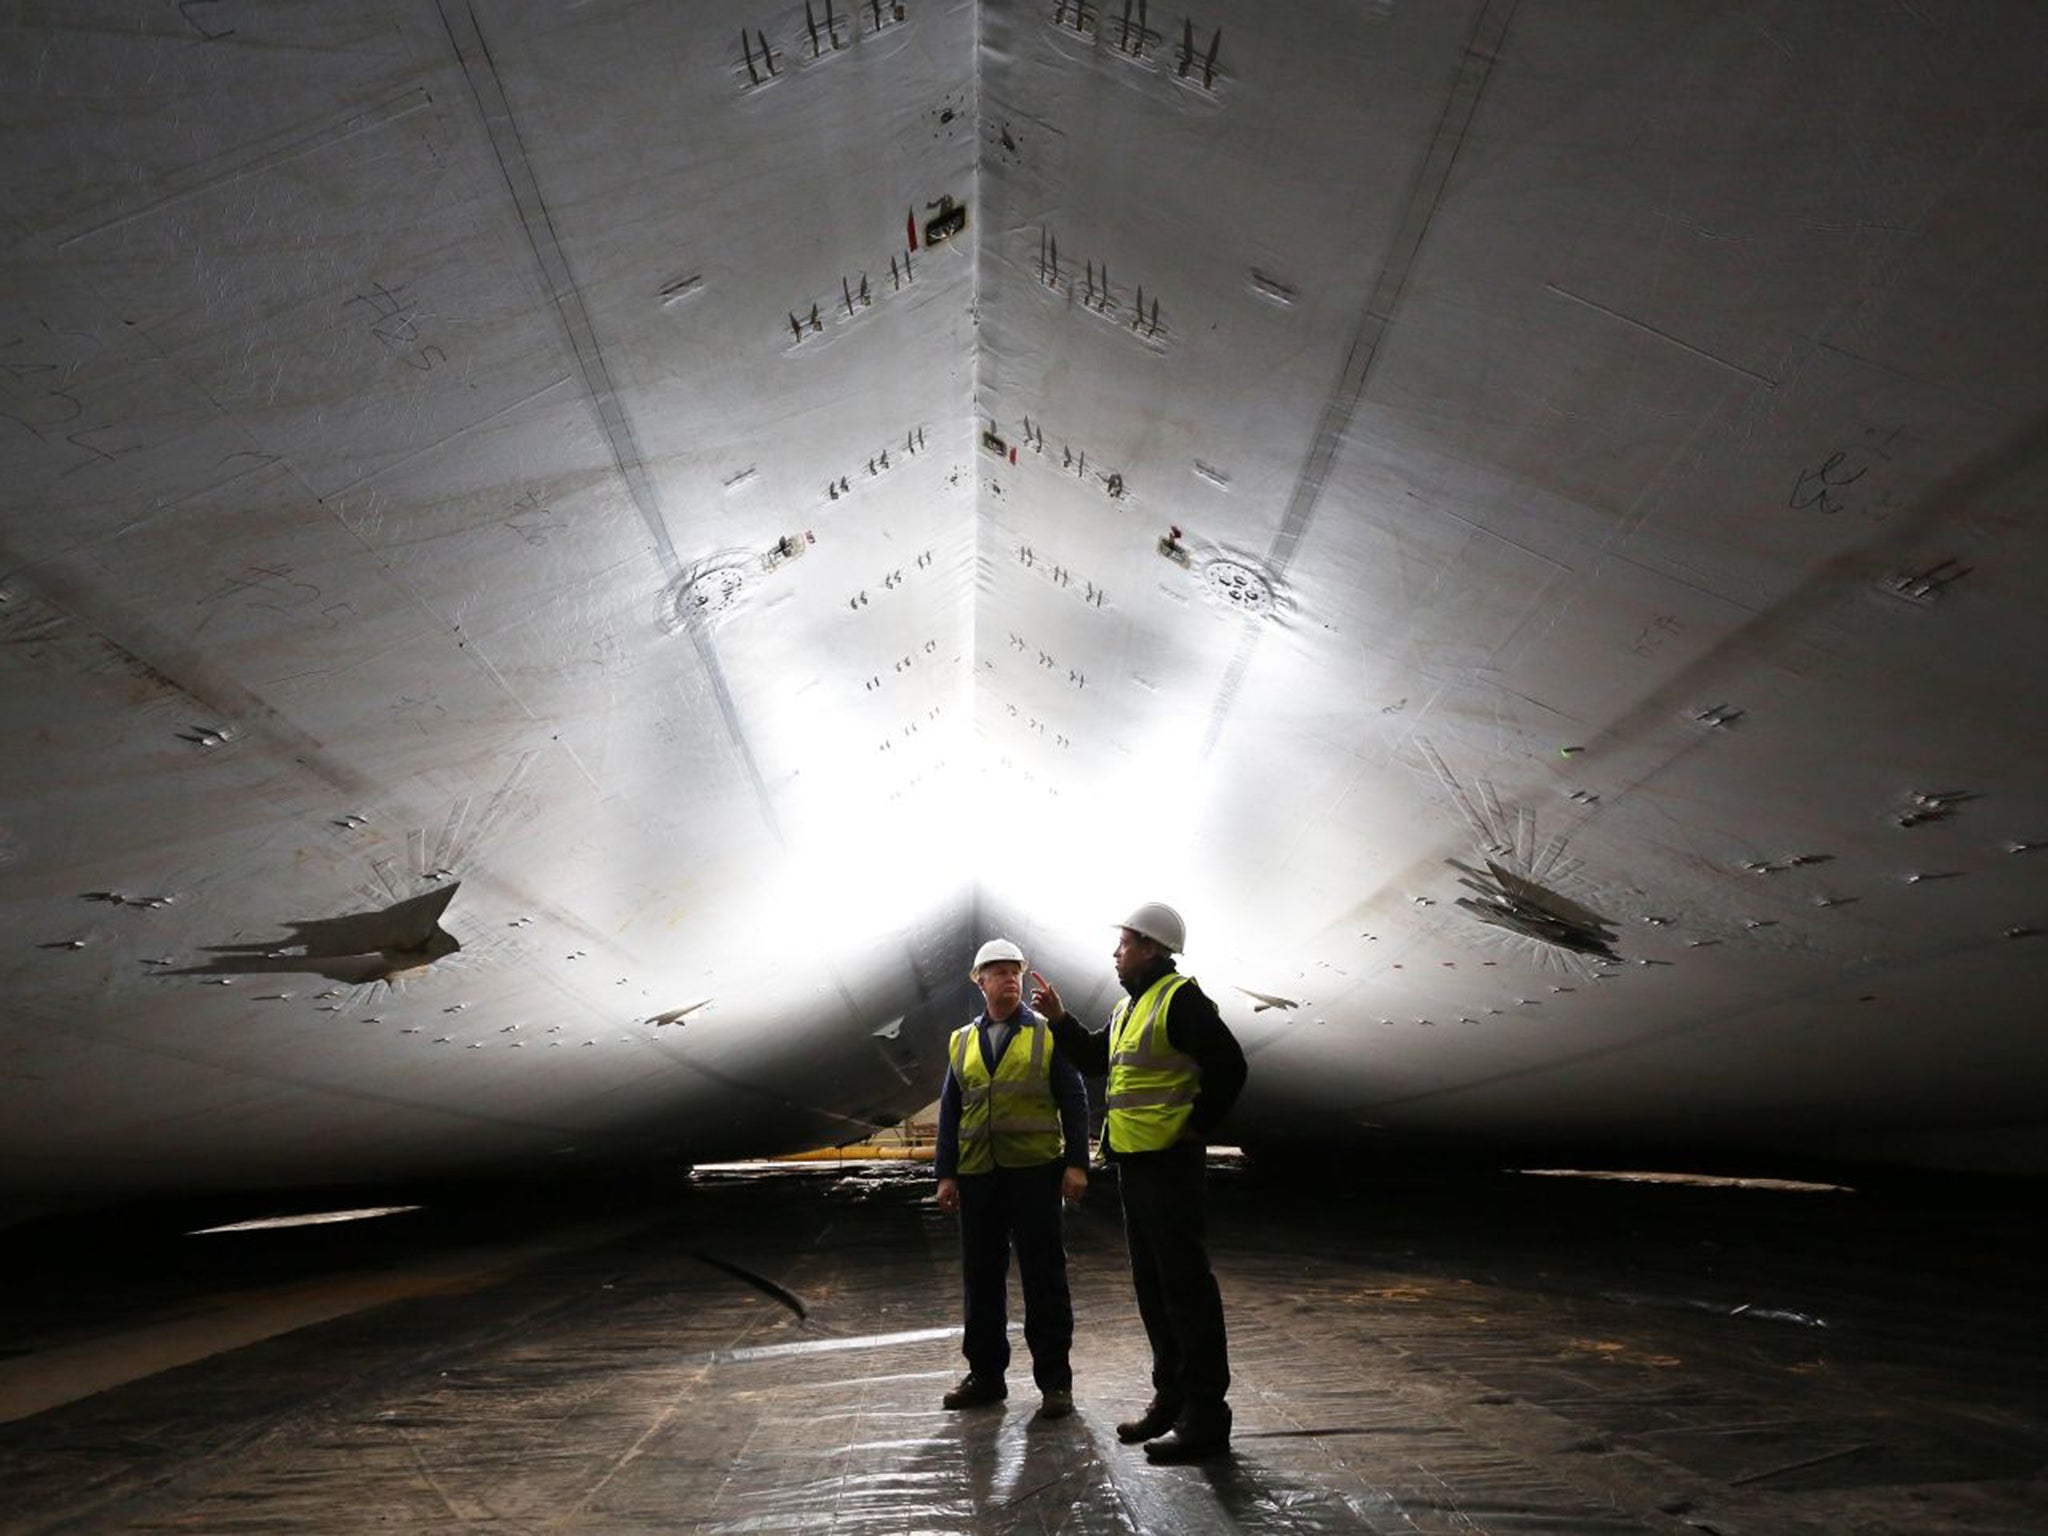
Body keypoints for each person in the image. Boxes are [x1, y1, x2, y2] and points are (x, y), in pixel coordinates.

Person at [1030, 902, 1247, 1462]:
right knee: (1155, 1290)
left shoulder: (1181, 1000)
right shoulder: (1132, 1007)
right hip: (1136, 1165)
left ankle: (1206, 1419)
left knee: (1186, 1292)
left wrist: (1195, 1128)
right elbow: (1096, 1059)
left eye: (1123, 945)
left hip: (1169, 1168)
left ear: (1150, 948)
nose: (1115, 954)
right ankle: (1171, 1400)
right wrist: (1059, 1019)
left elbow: (1230, 1065)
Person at [934, 937, 1090, 1418]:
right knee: (980, 1278)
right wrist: (946, 1174)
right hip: (980, 1175)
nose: (1009, 979)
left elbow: (1074, 1099)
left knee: (1044, 1277)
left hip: (1035, 1174)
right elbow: (950, 1109)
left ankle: (1055, 1384)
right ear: (979, 981)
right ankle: (985, 1376)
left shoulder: (1047, 1034)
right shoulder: (962, 1040)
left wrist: (1077, 1164)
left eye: (1014, 972)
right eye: (998, 972)